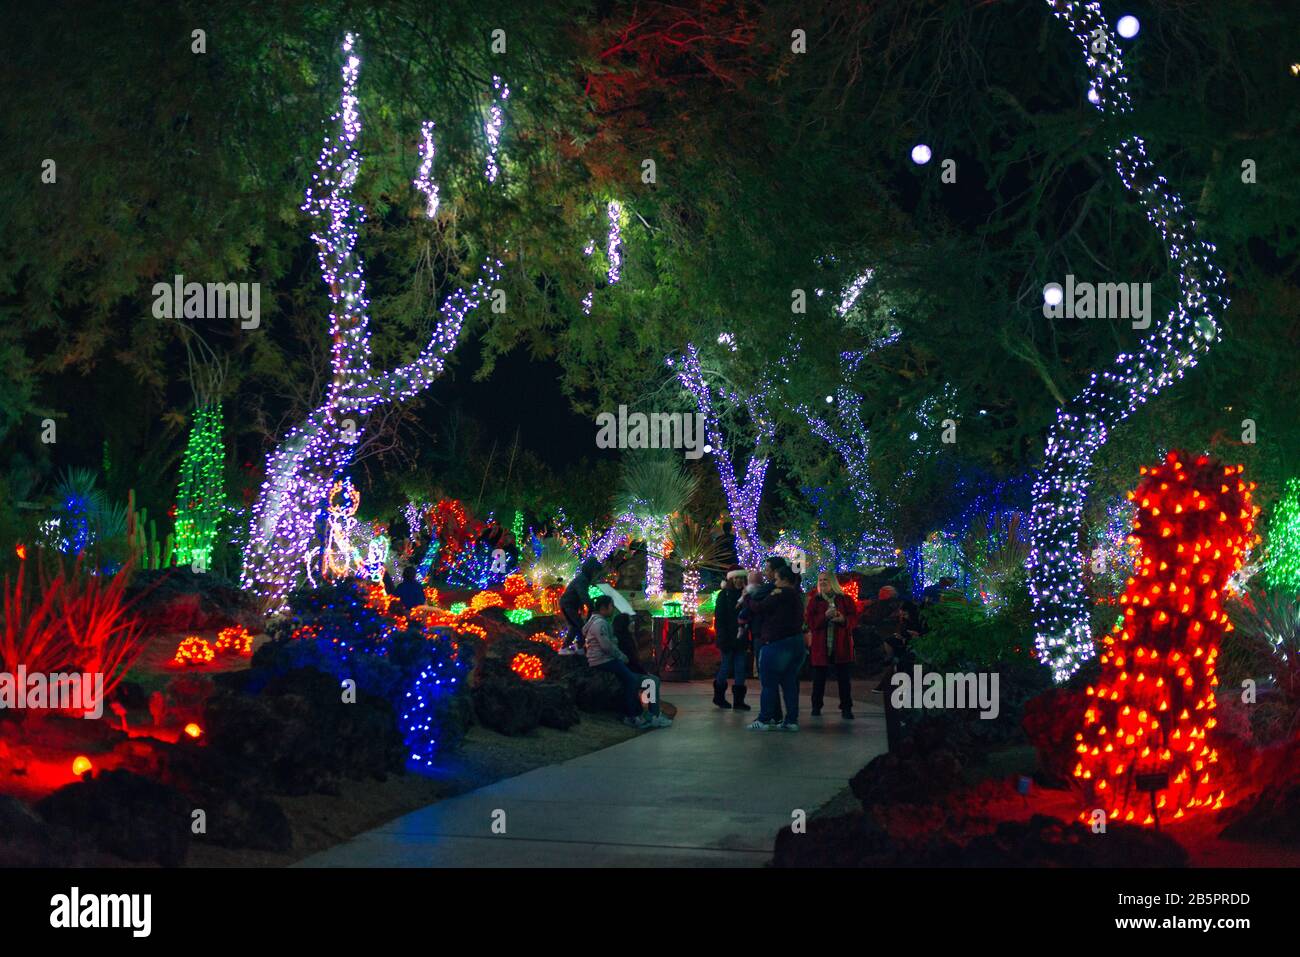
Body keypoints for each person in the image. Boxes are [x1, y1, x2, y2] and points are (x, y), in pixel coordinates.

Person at [584, 595, 672, 729]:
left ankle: (650, 714)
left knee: (648, 680)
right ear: (604, 608)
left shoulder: (602, 625)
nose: (613, 609)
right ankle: (640, 715)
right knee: (645, 681)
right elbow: (607, 646)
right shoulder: (601, 624)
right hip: (604, 660)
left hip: (608, 660)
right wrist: (620, 656)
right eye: (611, 606)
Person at [744, 565, 806, 732]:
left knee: (769, 683)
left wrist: (748, 597)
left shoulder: (781, 594)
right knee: (789, 683)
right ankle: (791, 720)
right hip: (797, 643)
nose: (774, 582)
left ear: (785, 580)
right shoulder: (798, 596)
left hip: (777, 644)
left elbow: (760, 607)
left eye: (776, 579)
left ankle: (764, 718)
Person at [805, 572, 859, 719]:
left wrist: (843, 620)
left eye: (825, 580)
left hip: (841, 646)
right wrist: (825, 617)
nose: (822, 582)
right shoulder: (814, 601)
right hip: (821, 647)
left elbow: (853, 619)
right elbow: (810, 622)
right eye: (820, 580)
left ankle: (846, 708)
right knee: (818, 680)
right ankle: (816, 707)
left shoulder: (845, 599)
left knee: (844, 680)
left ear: (832, 582)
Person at [712, 569, 750, 710]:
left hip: (741, 638)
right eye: (736, 578)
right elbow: (720, 619)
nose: (738, 581)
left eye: (741, 578)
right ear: (731, 580)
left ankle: (739, 701)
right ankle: (719, 697)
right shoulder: (724, 595)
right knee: (726, 666)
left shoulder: (746, 595)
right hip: (727, 638)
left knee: (740, 668)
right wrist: (722, 638)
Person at [558, 557, 601, 656]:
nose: (596, 575)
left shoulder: (583, 578)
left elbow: (580, 595)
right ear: (591, 570)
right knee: (579, 625)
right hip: (568, 604)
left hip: (569, 604)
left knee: (576, 625)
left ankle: (576, 647)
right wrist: (591, 606)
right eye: (595, 572)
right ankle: (570, 648)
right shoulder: (582, 580)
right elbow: (582, 594)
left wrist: (583, 606)